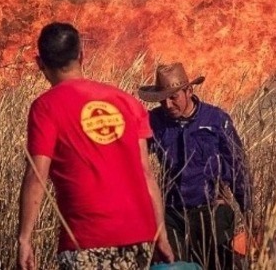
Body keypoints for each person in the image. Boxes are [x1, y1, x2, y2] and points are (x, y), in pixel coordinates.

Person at [17, 22, 174, 270]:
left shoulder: (45, 107)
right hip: (140, 236)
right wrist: (160, 233)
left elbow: (37, 175)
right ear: (81, 55)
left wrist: (25, 239)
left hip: (87, 239)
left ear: (40, 63)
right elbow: (146, 173)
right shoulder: (126, 101)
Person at [139, 63, 252, 270]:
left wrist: (250, 214)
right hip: (172, 214)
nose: (168, 104)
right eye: (162, 100)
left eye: (173, 97)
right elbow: (135, 158)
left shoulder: (216, 120)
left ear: (189, 91)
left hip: (211, 211)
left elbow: (237, 170)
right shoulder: (154, 121)